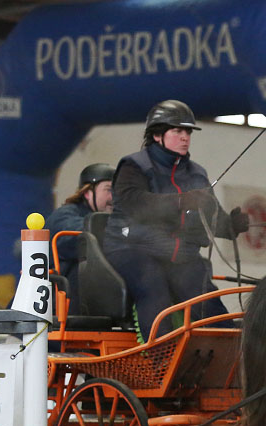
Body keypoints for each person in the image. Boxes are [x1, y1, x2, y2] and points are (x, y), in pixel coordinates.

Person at [101, 99, 250, 340]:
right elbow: (135, 203)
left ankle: (227, 356)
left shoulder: (196, 173)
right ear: (158, 135)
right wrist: (180, 201)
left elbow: (209, 215)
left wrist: (231, 226)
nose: (185, 137)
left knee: (206, 299)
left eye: (188, 132)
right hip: (132, 248)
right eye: (178, 131)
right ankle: (160, 359)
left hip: (178, 254)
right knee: (154, 290)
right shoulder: (133, 166)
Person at [47, 163, 114, 312]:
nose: (114, 197)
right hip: (48, 309)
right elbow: (77, 239)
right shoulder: (64, 216)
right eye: (109, 190)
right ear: (87, 192)